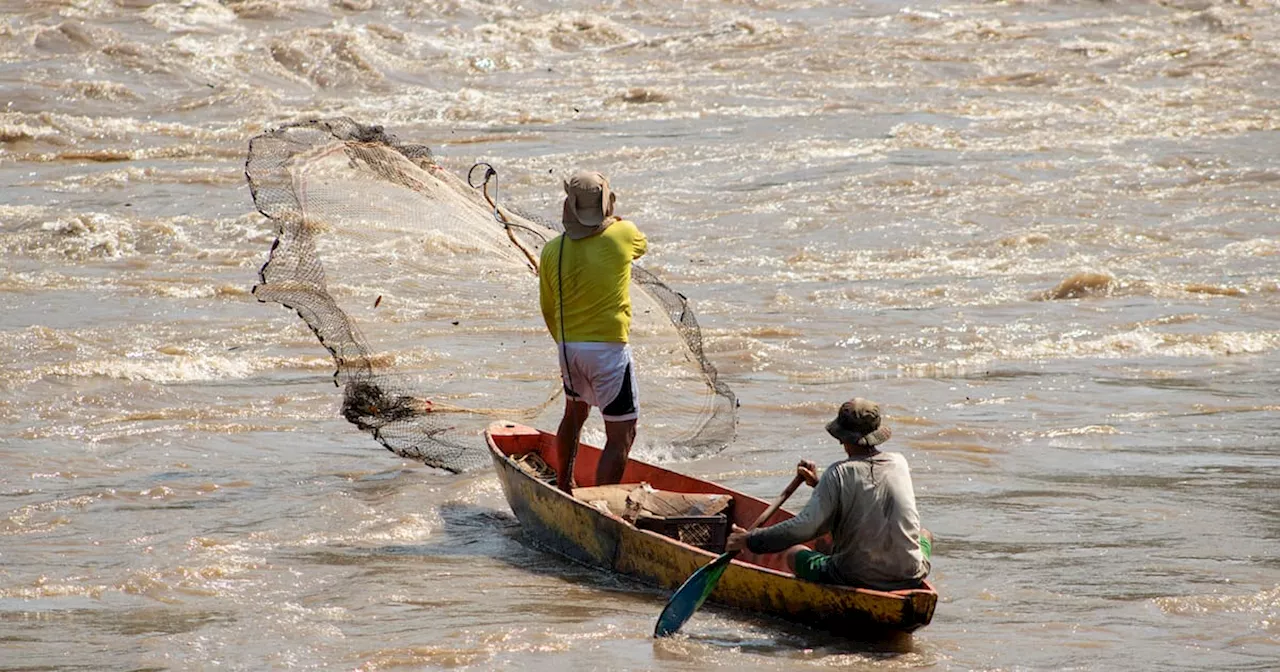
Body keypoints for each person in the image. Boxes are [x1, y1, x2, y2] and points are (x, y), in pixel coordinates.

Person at [726, 398, 932, 591]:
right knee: (925, 535)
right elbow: (868, 498)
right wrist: (817, 484)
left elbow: (804, 528)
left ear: (841, 438)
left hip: (853, 576)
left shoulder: (838, 472)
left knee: (793, 554)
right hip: (912, 573)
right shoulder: (899, 463)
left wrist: (750, 540)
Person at [538, 170, 647, 493]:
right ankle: (602, 505)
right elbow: (642, 246)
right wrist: (613, 221)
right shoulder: (623, 233)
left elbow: (547, 308)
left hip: (569, 349)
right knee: (622, 434)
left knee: (574, 414)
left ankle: (564, 483)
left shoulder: (551, 250)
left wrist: (566, 346)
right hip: (608, 353)